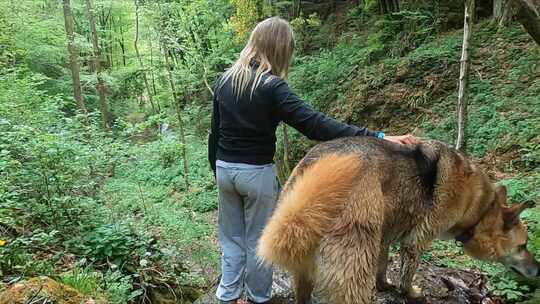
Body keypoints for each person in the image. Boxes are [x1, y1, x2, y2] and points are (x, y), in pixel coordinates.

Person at [207, 16, 416, 304]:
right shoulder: (272, 87)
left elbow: (214, 134)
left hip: (224, 170)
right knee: (259, 242)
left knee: (231, 240)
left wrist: (217, 171)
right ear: (280, 49)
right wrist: (377, 136)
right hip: (256, 174)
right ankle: (258, 298)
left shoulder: (224, 81)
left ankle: (227, 296)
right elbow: (317, 125)